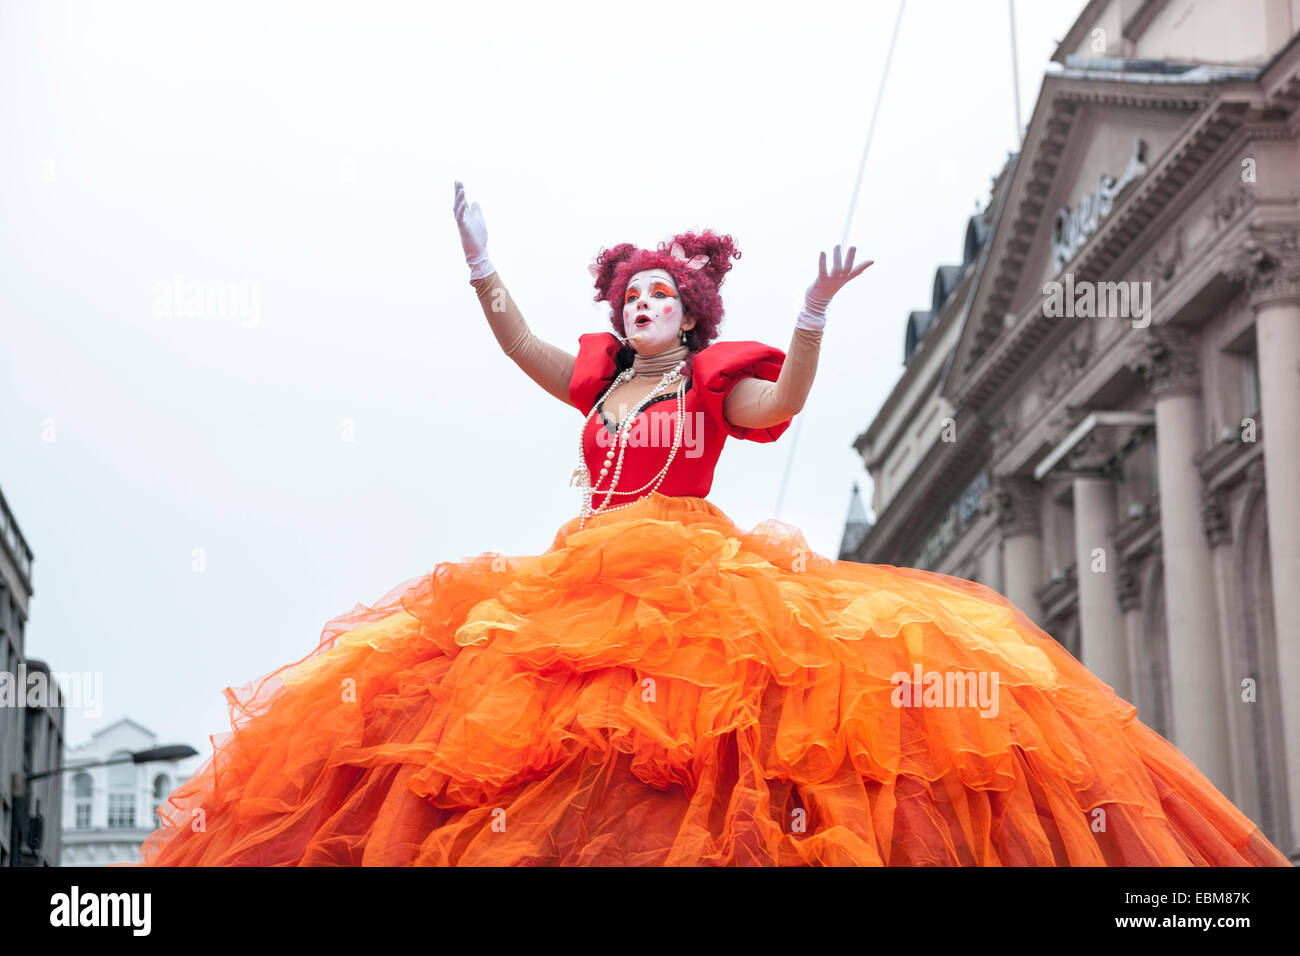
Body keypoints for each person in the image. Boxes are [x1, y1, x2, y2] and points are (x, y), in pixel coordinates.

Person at [134, 182, 1291, 866]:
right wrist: (484, 268)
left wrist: (808, 318)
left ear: (686, 315)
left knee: (725, 741)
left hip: (695, 575)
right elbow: (522, 345)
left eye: (659, 299)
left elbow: (781, 407)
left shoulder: (706, 386)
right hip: (581, 576)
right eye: (627, 297)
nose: (641, 308)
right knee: (525, 747)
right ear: (618, 313)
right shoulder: (596, 384)